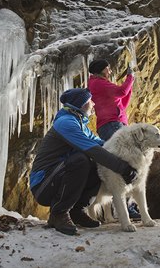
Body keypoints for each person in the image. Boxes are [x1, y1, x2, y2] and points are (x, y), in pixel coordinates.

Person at [29, 88, 138, 235]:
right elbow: (93, 150)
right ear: (81, 104)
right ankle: (59, 213)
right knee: (82, 159)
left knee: (94, 163)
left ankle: (77, 211)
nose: (93, 104)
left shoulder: (80, 125)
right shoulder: (66, 123)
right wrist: (122, 168)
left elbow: (103, 145)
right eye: (90, 101)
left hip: (56, 178)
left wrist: (126, 154)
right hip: (43, 184)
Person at [87, 59, 141, 219]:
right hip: (112, 125)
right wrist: (130, 77)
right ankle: (125, 208)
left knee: (124, 165)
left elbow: (122, 102)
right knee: (127, 164)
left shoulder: (101, 84)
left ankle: (125, 207)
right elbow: (122, 92)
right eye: (108, 68)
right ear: (102, 70)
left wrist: (130, 84)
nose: (110, 72)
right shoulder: (97, 83)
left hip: (115, 124)